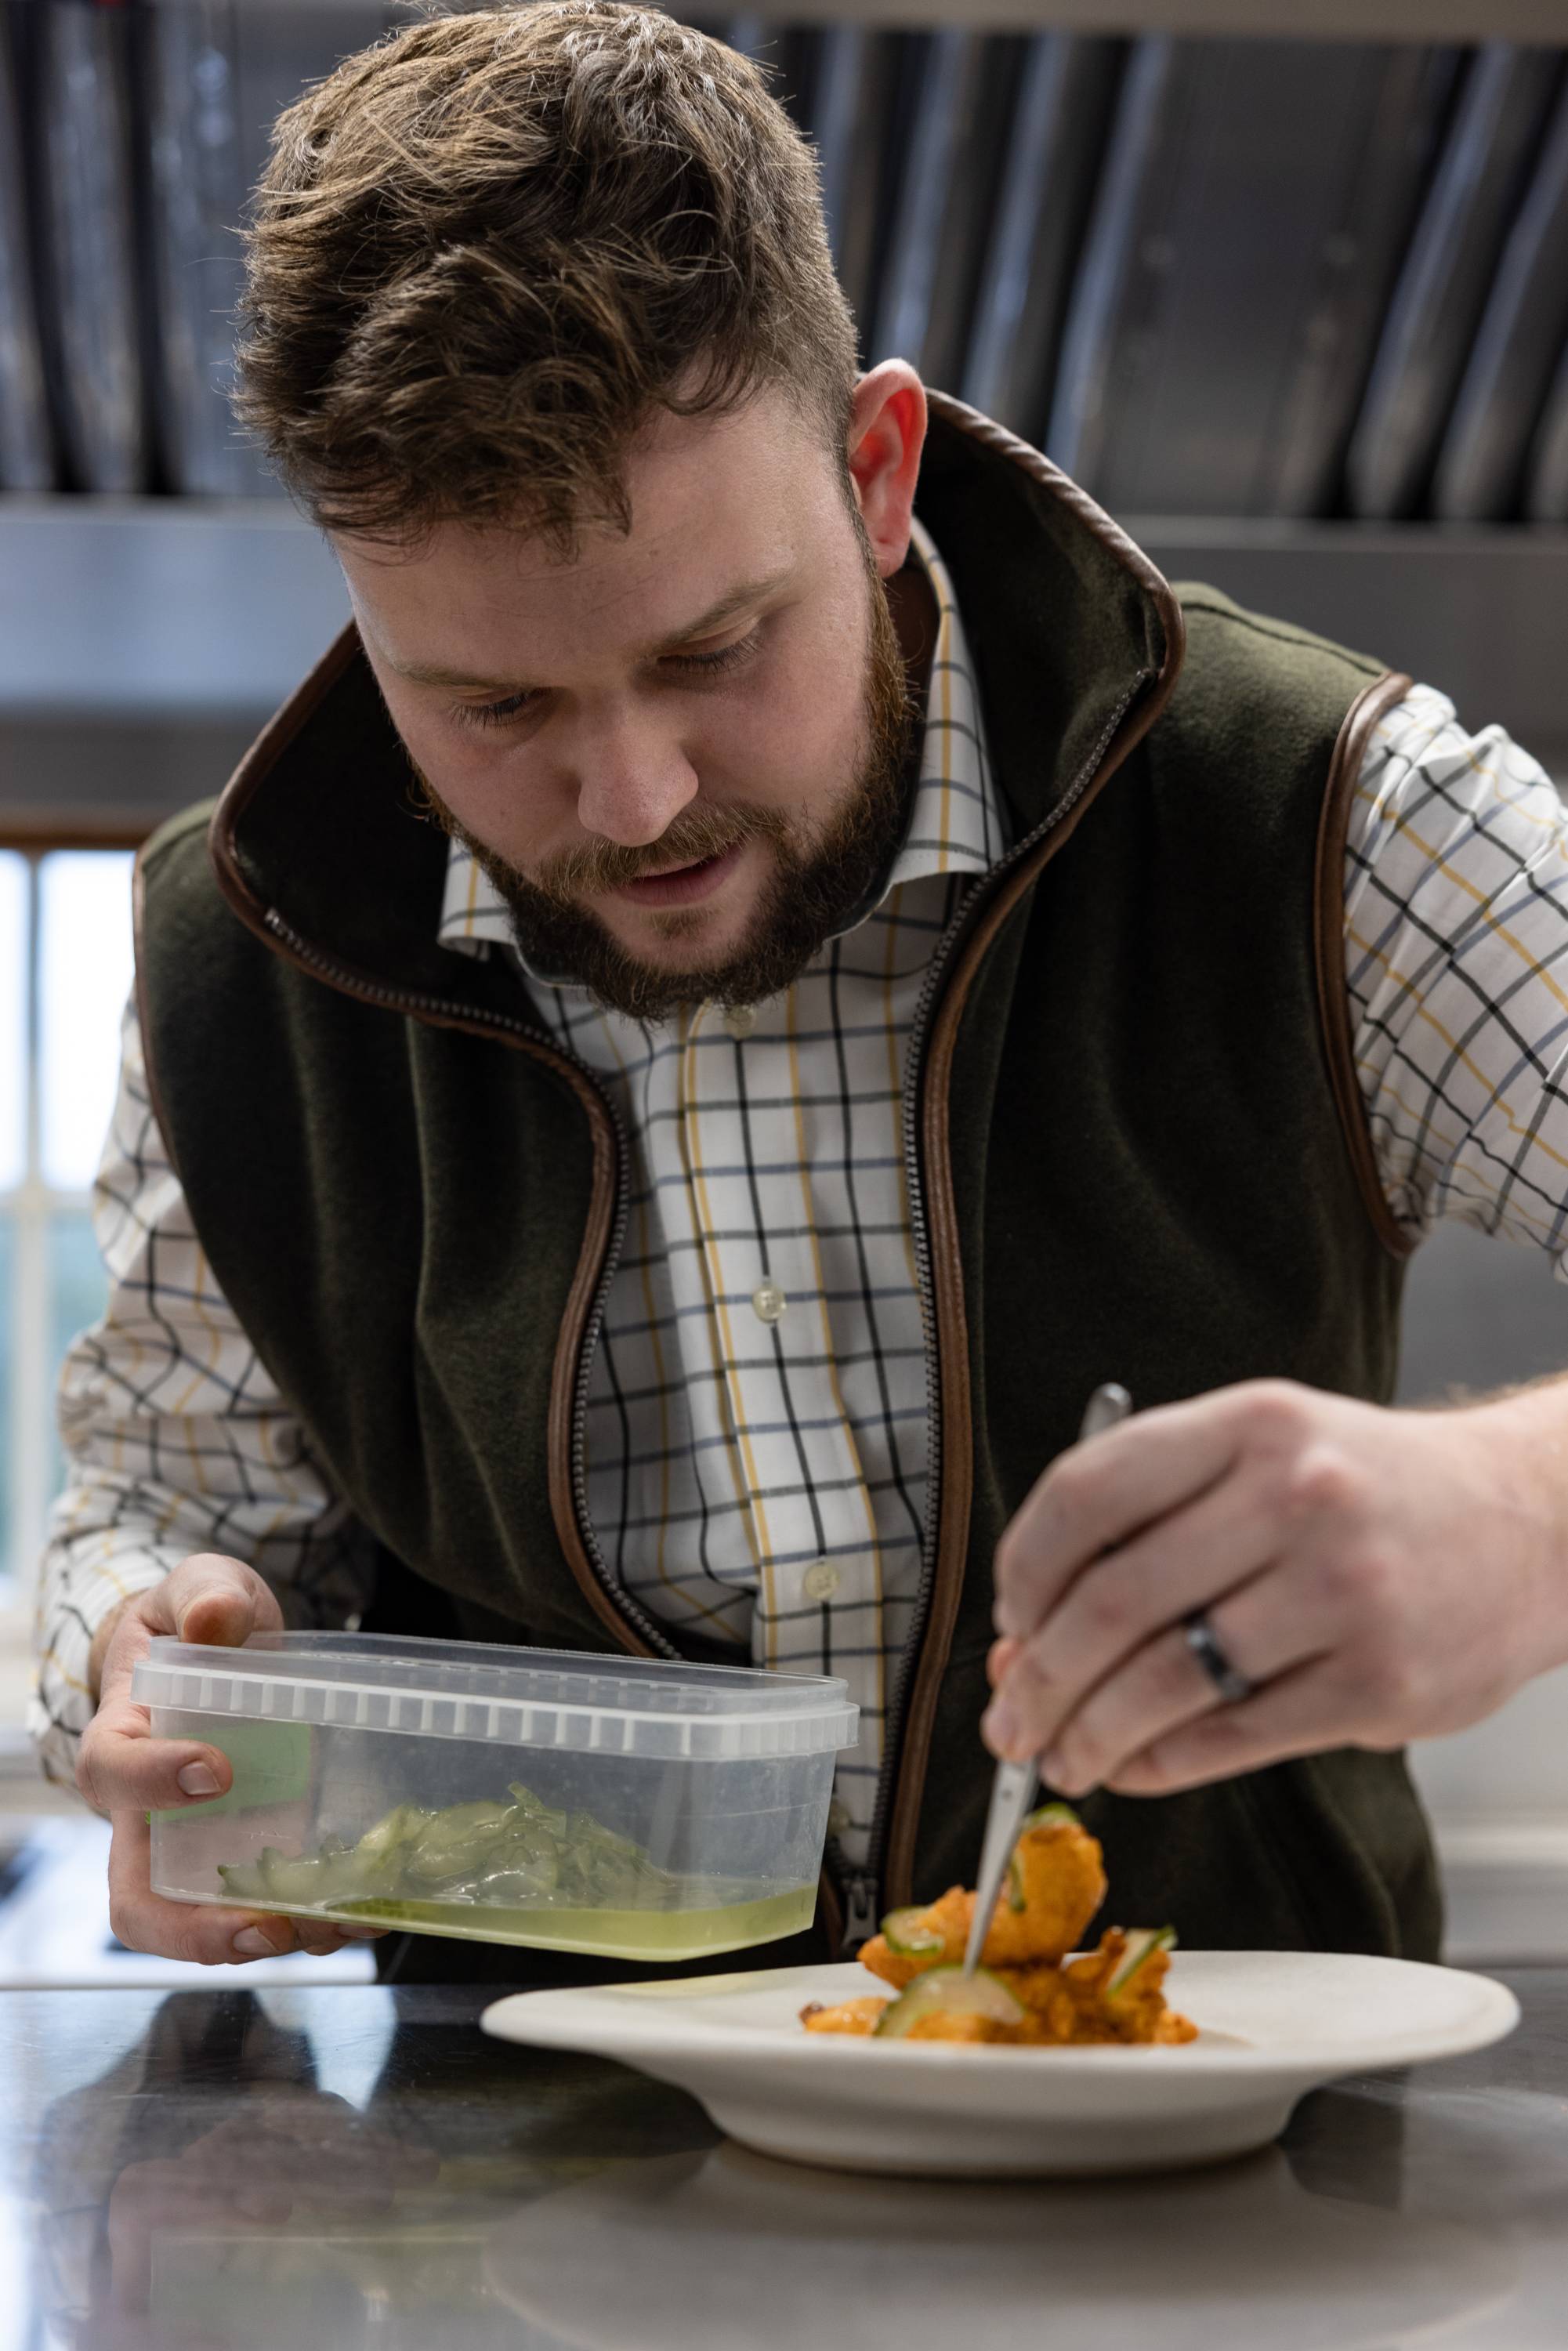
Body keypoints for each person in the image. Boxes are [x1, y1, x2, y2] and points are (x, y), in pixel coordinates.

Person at [35, 1, 1568, 1980]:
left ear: (872, 468)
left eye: (715, 648)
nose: (633, 799)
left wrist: (1527, 1509)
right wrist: (156, 1655)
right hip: (521, 2240)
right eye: (491, 704)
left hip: (1203, 2196)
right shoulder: (237, 966)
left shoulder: (1328, 812)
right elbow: (154, 1511)